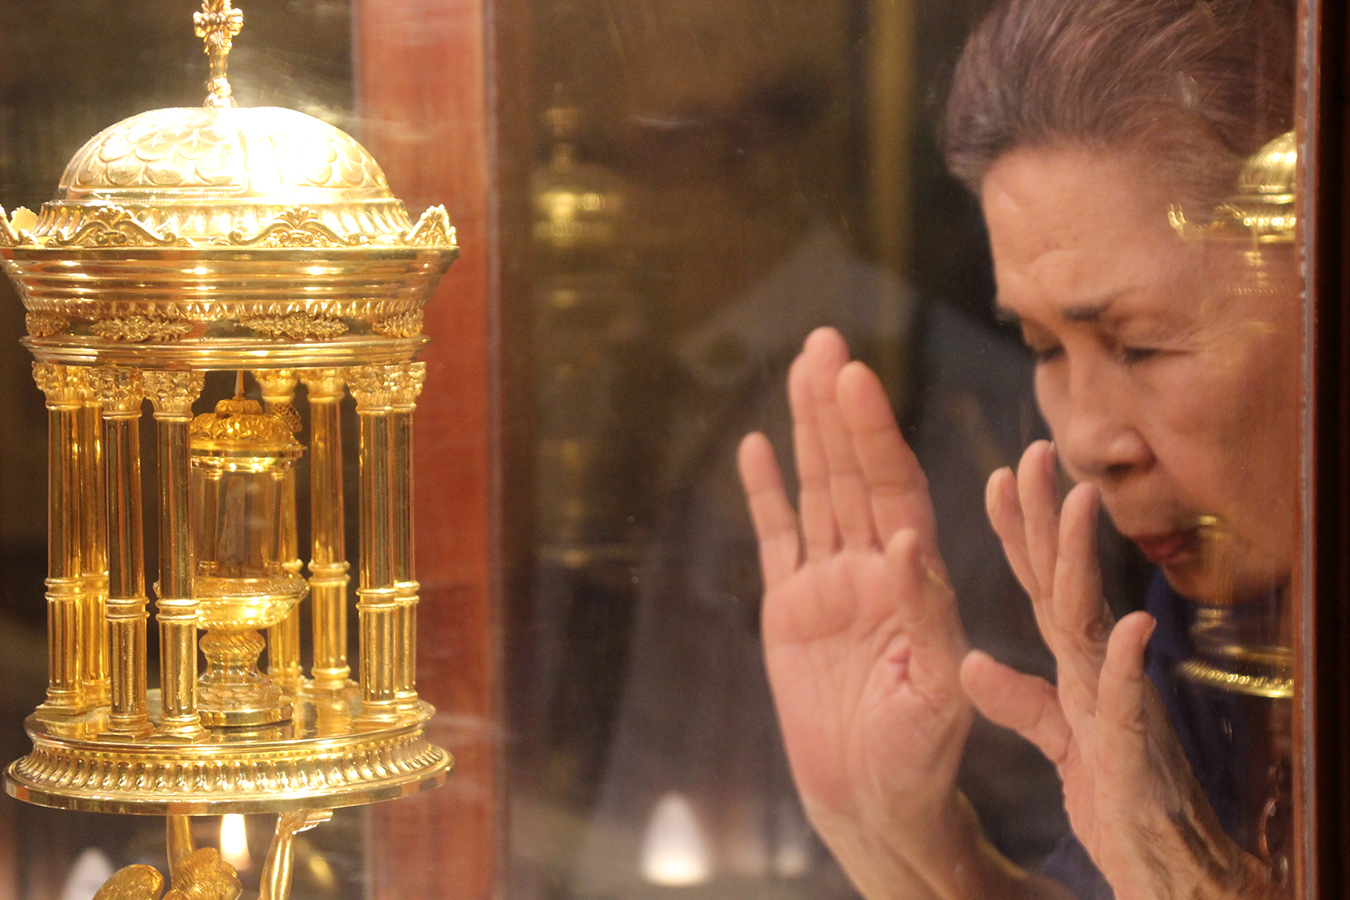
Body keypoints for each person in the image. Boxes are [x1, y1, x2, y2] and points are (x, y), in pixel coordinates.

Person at [737, 0, 1299, 898]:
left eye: (1140, 344)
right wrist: (904, 838)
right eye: (1043, 348)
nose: (1083, 441)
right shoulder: (1208, 616)